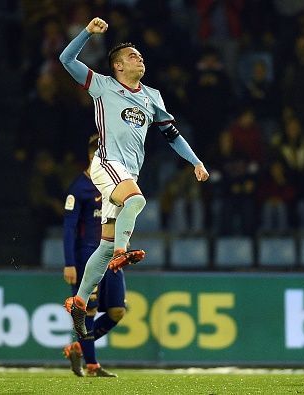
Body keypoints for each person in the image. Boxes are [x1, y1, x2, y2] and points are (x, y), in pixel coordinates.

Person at [59, 17, 209, 339]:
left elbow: (172, 135)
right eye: (132, 56)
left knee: (104, 244)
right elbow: (66, 60)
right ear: (117, 66)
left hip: (129, 170)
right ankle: (121, 253)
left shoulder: (153, 96)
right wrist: (87, 32)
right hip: (106, 163)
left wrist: (195, 162)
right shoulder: (102, 85)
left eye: (140, 55)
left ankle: (80, 300)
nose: (139, 58)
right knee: (137, 199)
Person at [61, 134, 119, 378]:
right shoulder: (79, 188)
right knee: (89, 311)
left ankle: (78, 347)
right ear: (92, 155)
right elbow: (69, 227)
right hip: (87, 256)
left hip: (112, 256)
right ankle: (92, 365)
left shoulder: (114, 185)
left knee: (117, 311)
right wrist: (69, 263)